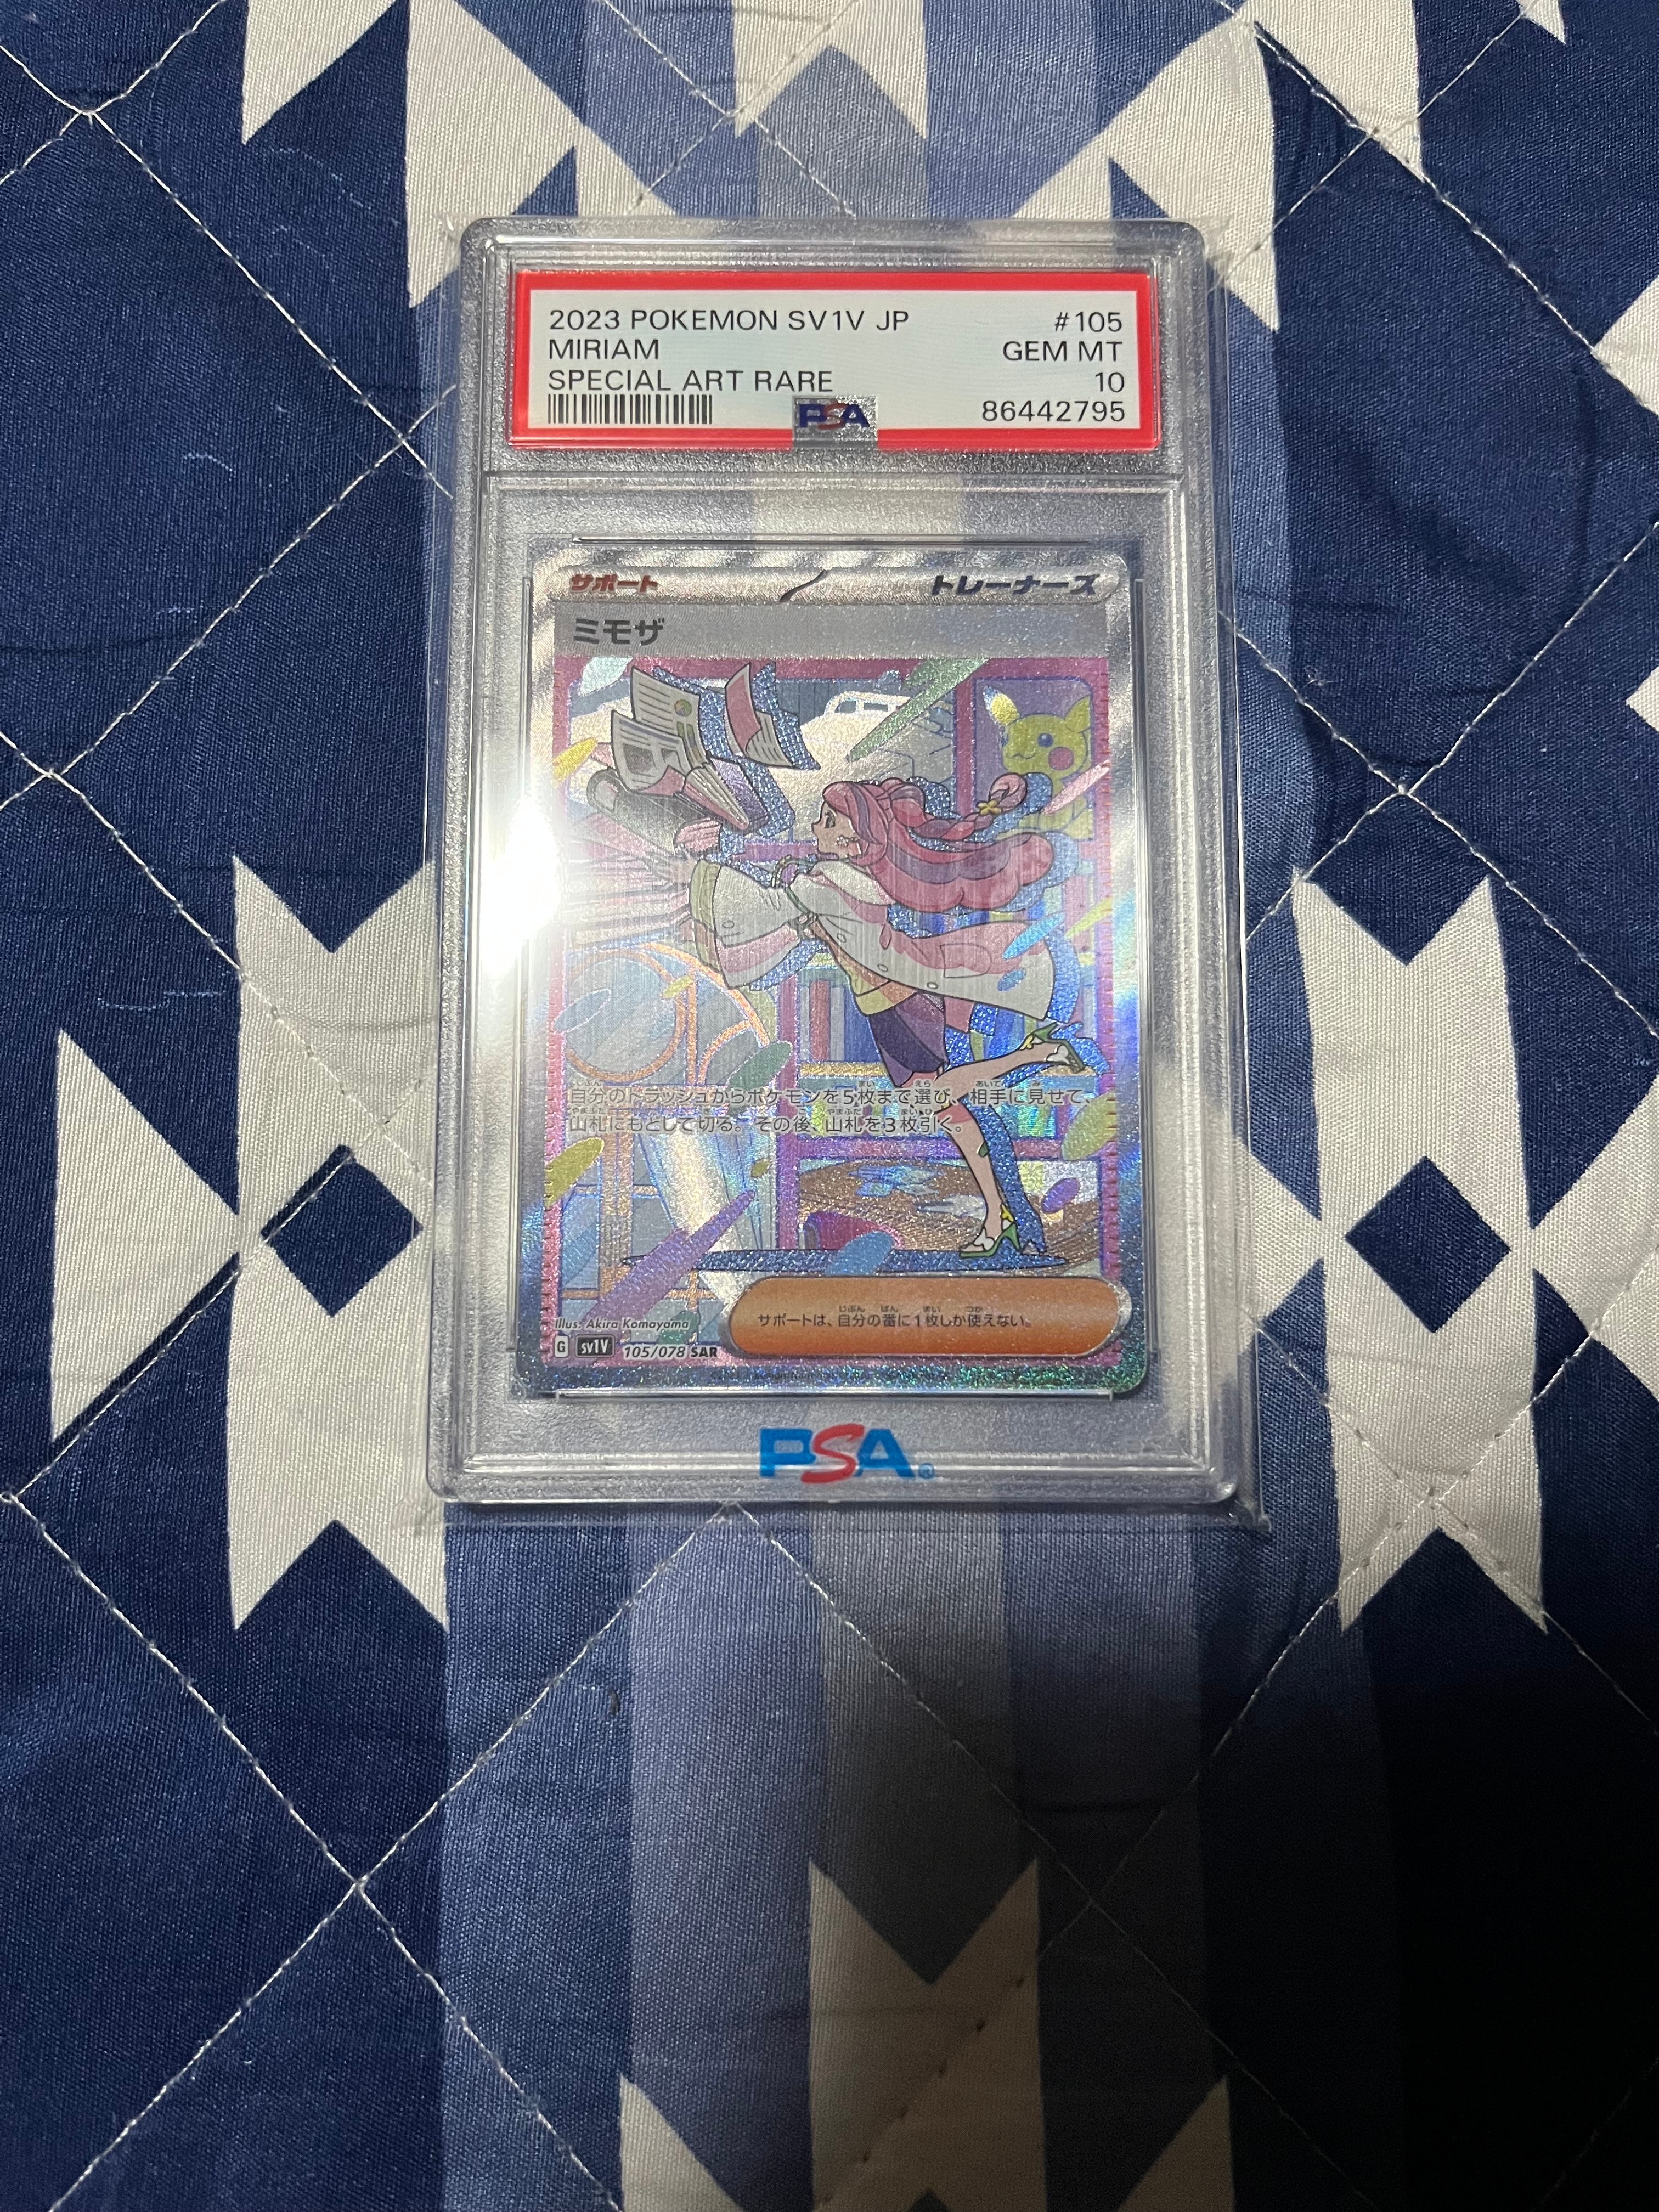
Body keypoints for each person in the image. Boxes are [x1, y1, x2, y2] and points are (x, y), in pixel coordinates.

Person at [690, 774, 1087, 1256]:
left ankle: (1042, 1056)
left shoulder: (828, 883)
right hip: (889, 1009)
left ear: (854, 842)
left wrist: (699, 869)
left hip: (903, 1009)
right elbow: (776, 928)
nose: (816, 827)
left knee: (943, 1101)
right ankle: (1000, 1216)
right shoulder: (844, 882)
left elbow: (751, 910)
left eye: (828, 821)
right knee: (952, 1113)